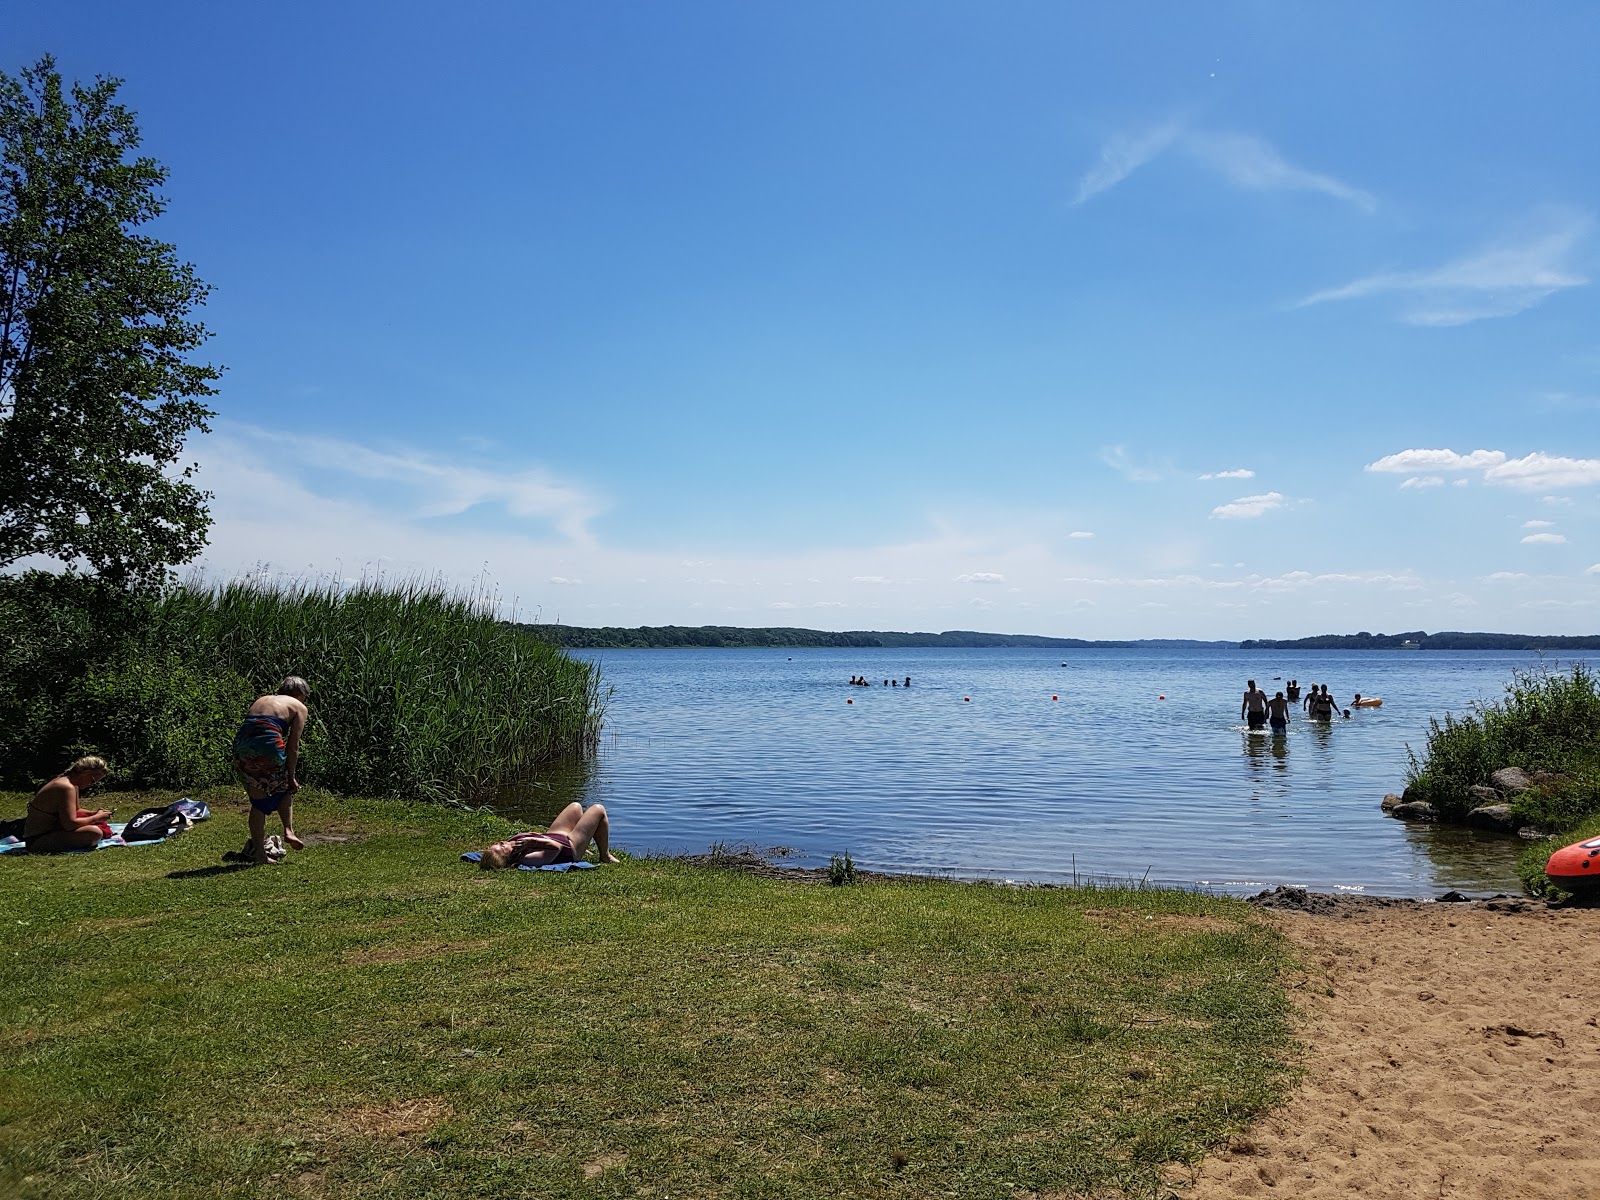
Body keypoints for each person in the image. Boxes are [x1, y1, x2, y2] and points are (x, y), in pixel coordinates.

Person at [233, 676, 310, 864]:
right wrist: (291, 776)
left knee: (258, 801)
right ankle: (288, 831)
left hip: (242, 746)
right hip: (268, 745)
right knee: (286, 786)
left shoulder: (262, 699)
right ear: (299, 695)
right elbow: (293, 746)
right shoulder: (299, 707)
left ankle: (260, 853)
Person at [479, 802, 619, 869]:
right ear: (508, 857)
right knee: (598, 810)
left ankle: (584, 842)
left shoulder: (514, 844)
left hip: (554, 835)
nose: (502, 843)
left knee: (575, 807)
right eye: (502, 848)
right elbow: (556, 848)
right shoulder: (526, 858)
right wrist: (533, 843)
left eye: (498, 843)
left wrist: (534, 839)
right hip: (569, 847)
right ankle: (604, 855)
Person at [23, 756, 112, 852]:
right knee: (94, 833)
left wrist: (95, 813)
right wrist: (96, 818)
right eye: (93, 780)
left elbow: (76, 810)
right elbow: (70, 824)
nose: (92, 784)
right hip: (38, 840)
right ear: (85, 773)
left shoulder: (72, 784)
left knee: (95, 829)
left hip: (52, 832)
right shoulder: (66, 787)